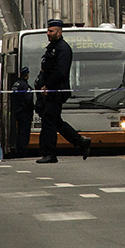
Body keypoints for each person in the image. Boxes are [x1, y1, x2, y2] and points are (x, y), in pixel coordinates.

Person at [35, 19, 92, 163]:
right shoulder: (52, 48)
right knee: (55, 120)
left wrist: (47, 86)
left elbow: (60, 71)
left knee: (49, 119)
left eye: (51, 31)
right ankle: (80, 141)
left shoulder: (63, 49)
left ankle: (50, 154)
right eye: (48, 31)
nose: (48, 34)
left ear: (59, 33)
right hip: (52, 91)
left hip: (57, 91)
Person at [11, 66, 35, 157]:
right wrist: (30, 112)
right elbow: (28, 101)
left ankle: (19, 148)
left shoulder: (15, 84)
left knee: (19, 131)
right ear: (27, 75)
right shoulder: (25, 86)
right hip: (25, 113)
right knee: (24, 132)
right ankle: (23, 150)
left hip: (17, 112)